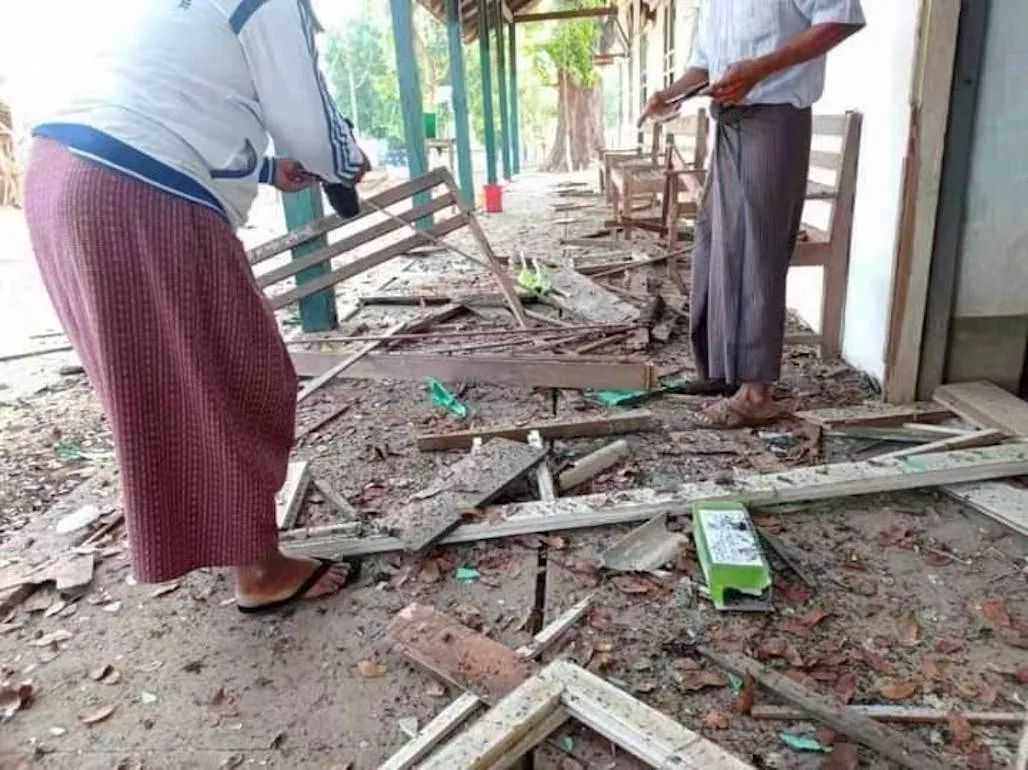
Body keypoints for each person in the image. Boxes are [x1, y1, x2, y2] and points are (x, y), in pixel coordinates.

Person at [24, 0, 371, 613]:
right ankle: (258, 569)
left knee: (167, 382)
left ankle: (236, 548)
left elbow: (174, 101)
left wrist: (267, 168)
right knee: (242, 372)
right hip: (132, 189)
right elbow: (313, 127)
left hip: (61, 177)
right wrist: (344, 164)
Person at [641, 0, 865, 427]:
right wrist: (671, 94)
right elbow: (706, 65)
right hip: (728, 124)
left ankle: (755, 393)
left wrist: (760, 69)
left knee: (757, 253)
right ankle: (723, 373)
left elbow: (841, 19)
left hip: (775, 118)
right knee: (714, 245)